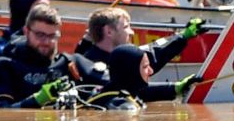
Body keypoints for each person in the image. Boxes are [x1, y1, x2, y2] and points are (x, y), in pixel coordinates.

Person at [0, 2, 78, 108]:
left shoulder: (66, 64)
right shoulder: (6, 67)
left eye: (52, 36)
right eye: (40, 35)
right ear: (26, 31)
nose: (46, 42)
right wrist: (36, 100)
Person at [75, 7, 204, 73]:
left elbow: (153, 50)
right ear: (109, 31)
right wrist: (173, 89)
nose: (131, 32)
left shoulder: (127, 57)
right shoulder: (90, 67)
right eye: (126, 27)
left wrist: (183, 36)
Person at [87, 44, 199, 110]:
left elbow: (144, 92)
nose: (150, 71)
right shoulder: (124, 108)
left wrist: (176, 88)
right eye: (145, 67)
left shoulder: (111, 93)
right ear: (131, 72)